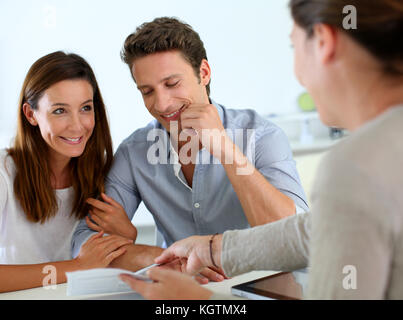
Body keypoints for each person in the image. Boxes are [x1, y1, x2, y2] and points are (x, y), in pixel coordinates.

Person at [120, 0, 403, 299]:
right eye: (148, 90)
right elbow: (310, 233)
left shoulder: (354, 165)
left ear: (323, 42)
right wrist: (212, 250)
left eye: (294, 47)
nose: (162, 104)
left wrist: (202, 302)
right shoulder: (380, 152)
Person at [71, 17, 309, 275]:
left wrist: (224, 149)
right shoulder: (134, 152)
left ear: (203, 73)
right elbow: (85, 245)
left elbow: (293, 239)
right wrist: (172, 261)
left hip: (259, 289)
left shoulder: (261, 136)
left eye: (172, 84)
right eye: (147, 91)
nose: (161, 105)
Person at [0, 51, 133, 293]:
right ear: (31, 115)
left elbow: (105, 261)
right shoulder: (4, 174)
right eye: (60, 110)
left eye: (85, 108)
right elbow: (85, 265)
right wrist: (76, 267)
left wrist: (128, 234)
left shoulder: (102, 171)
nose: (77, 125)